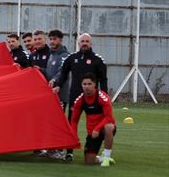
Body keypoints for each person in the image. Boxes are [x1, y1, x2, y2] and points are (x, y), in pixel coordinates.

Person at [50, 33, 108, 162]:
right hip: (75, 97)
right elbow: (63, 74)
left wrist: (104, 94)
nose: (84, 43)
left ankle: (99, 150)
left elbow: (103, 79)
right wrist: (58, 85)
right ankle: (69, 151)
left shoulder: (98, 60)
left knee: (96, 123)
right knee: (72, 123)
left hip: (93, 99)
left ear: (91, 43)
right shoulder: (71, 58)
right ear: (78, 43)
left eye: (87, 41)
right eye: (82, 41)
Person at [70, 73, 117, 166]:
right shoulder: (79, 100)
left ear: (95, 84)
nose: (86, 86)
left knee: (109, 127)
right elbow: (74, 121)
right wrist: (74, 136)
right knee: (89, 161)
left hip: (103, 128)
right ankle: (101, 158)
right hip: (92, 133)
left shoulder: (102, 97)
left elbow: (109, 117)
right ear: (81, 85)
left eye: (89, 84)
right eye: (84, 84)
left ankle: (106, 157)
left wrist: (97, 129)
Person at [45, 29, 71, 107]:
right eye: (50, 39)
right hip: (51, 92)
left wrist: (54, 79)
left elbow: (63, 71)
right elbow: (49, 71)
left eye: (54, 39)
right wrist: (39, 69)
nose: (52, 41)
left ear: (60, 40)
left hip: (60, 94)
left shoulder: (64, 55)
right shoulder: (51, 54)